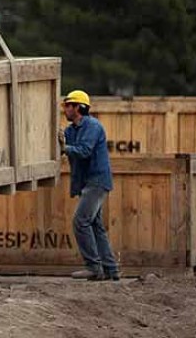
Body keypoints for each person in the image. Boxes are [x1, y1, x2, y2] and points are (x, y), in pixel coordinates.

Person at [59, 90, 120, 281]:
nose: (65, 109)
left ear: (79, 107)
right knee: (95, 225)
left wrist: (64, 147)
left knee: (81, 221)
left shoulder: (93, 126)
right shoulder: (71, 130)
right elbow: (62, 142)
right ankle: (110, 269)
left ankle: (94, 266)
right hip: (87, 183)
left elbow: (84, 151)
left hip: (97, 182)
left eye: (68, 105)